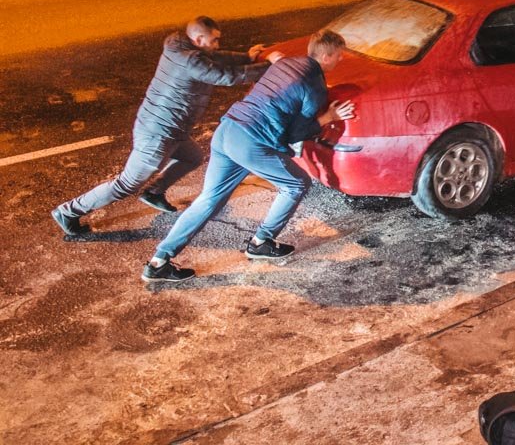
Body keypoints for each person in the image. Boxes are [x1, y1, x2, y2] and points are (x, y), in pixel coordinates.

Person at [142, 30, 356, 282]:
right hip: (251, 142)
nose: (340, 60)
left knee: (209, 200)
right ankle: (262, 241)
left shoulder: (286, 62)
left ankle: (159, 261)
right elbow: (297, 131)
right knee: (296, 183)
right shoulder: (313, 85)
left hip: (227, 130)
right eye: (338, 56)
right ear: (326, 55)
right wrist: (330, 117)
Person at [51, 17, 277, 237]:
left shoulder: (180, 46)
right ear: (198, 39)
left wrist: (247, 57)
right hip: (159, 134)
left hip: (168, 127)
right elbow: (226, 76)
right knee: (126, 184)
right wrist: (269, 66)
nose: (217, 44)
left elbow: (215, 58)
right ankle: (68, 211)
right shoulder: (191, 61)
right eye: (214, 40)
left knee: (192, 158)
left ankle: (155, 192)